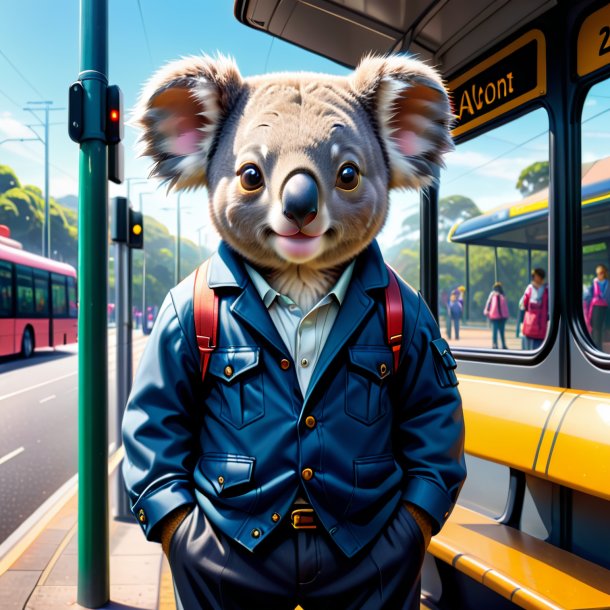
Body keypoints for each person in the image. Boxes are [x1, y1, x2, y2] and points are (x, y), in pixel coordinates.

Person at [122, 54, 466, 610]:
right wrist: (180, 534)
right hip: (229, 555)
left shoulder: (401, 311)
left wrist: (412, 530)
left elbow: (435, 425)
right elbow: (152, 432)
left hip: (370, 556)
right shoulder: (194, 309)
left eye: (347, 174)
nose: (300, 201)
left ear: (398, 144)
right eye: (253, 175)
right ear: (195, 143)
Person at [521, 268, 549, 350]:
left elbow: (523, 304)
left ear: (540, 277)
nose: (533, 277)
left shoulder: (530, 289)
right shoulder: (547, 289)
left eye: (534, 276)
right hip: (533, 327)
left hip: (536, 327)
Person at [587, 264, 609, 350]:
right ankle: (596, 346)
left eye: (601, 273)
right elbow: (588, 295)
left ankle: (598, 347)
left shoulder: (607, 283)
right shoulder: (595, 282)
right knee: (595, 327)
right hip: (595, 306)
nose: (599, 275)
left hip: (602, 307)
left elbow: (606, 296)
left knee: (598, 328)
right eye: (598, 273)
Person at [483, 281, 509, 349]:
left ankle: (503, 344)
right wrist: (487, 311)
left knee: (502, 332)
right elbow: (488, 303)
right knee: (495, 331)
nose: (498, 288)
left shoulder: (503, 295)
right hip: (494, 316)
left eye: (499, 287)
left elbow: (505, 305)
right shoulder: (492, 294)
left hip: (502, 316)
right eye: (496, 287)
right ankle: (495, 344)